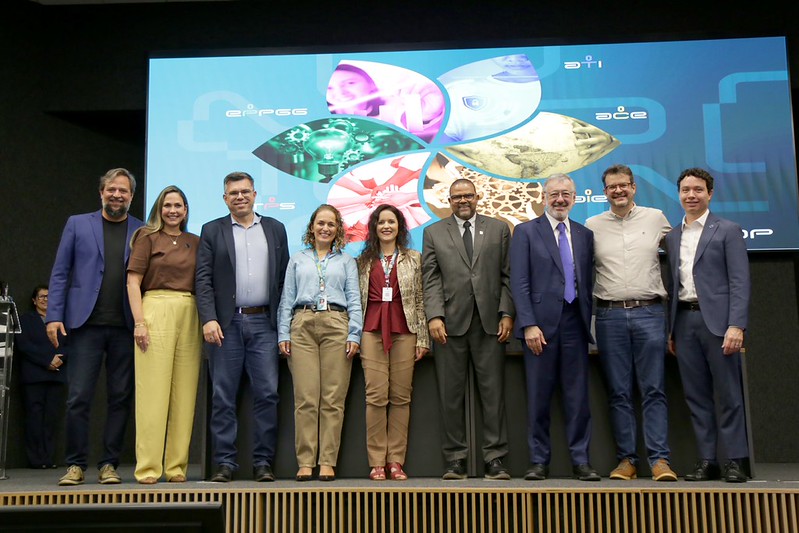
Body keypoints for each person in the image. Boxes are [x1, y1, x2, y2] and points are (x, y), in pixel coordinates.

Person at [46, 168, 143, 486]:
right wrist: (54, 315)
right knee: (78, 397)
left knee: (120, 398)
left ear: (131, 196)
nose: (117, 195)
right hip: (84, 325)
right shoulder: (77, 224)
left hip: (125, 327)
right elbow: (61, 272)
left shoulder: (141, 230)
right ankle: (75, 464)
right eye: (111, 189)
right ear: (101, 192)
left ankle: (109, 464)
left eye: (123, 191)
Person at [195, 171, 289, 483]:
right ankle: (224, 463)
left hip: (264, 323)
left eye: (245, 191)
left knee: (267, 394)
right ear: (225, 198)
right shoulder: (212, 230)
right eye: (233, 193)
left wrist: (282, 325)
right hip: (225, 324)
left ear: (254, 194)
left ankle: (263, 463)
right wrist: (208, 318)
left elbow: (282, 281)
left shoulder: (275, 229)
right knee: (223, 396)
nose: (240, 197)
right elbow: (203, 279)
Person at [585, 164, 676, 482]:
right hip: (609, 316)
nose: (618, 190)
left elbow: (682, 257)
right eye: (612, 187)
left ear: (633, 187)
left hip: (650, 313)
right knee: (619, 392)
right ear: (605, 192)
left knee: (654, 390)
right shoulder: (592, 225)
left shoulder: (656, 218)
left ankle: (660, 460)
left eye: (623, 185)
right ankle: (627, 460)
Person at [422, 178, 514, 481]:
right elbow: (431, 279)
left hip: (490, 324)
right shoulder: (433, 232)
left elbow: (507, 276)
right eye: (457, 197)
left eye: (468, 196)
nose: (463, 201)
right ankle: (455, 460)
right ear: (449, 201)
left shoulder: (499, 229)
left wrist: (507, 313)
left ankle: (495, 458)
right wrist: (434, 316)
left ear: (478, 197)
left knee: (493, 395)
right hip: (448, 325)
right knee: (450, 396)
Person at [509, 173, 600, 481]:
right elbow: (519, 282)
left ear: (574, 198)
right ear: (544, 197)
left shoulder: (584, 234)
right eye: (554, 194)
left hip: (575, 323)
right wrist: (528, 324)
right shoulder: (525, 232)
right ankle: (538, 461)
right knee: (538, 396)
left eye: (566, 194)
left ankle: (581, 460)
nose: (560, 199)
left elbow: (587, 281)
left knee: (578, 398)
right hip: (539, 328)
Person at [665, 167, 751, 483]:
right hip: (684, 322)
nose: (691, 195)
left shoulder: (728, 230)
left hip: (718, 324)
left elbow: (740, 281)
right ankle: (707, 460)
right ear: (679, 194)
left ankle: (735, 461)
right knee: (696, 396)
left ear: (710, 194)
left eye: (698, 190)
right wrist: (671, 330)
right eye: (686, 190)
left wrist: (736, 325)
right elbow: (672, 285)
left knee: (729, 395)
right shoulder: (672, 236)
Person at [278, 204, 362, 482]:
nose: (325, 228)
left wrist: (354, 334)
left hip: (337, 324)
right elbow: (286, 299)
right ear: (312, 227)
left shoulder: (347, 261)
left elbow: (355, 300)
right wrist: (283, 333)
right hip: (302, 324)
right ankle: (305, 461)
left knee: (333, 399)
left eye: (331, 224)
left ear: (338, 229)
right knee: (306, 398)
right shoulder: (298, 259)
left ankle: (327, 461)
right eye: (321, 223)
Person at [126, 185, 201, 484]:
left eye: (178, 205)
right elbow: (133, 282)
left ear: (186, 210)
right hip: (155, 309)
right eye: (167, 205)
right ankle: (148, 468)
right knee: (152, 393)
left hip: (190, 310)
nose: (172, 210)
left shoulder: (196, 242)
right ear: (159, 208)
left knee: (185, 394)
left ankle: (176, 467)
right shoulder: (146, 237)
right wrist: (139, 322)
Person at [356, 204, 429, 481]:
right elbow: (355, 301)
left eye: (392, 221)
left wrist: (423, 337)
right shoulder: (362, 261)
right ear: (374, 227)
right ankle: (377, 462)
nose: (386, 226)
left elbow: (420, 300)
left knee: (401, 397)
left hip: (405, 330)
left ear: (400, 227)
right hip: (370, 330)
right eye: (381, 222)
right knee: (375, 396)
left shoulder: (414, 259)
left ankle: (395, 461)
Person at [327, 63, 445, 142]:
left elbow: (417, 132)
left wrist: (427, 115)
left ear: (371, 84)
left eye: (350, 83)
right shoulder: (326, 122)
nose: (341, 92)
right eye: (329, 88)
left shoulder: (394, 105)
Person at [15, 285, 66, 469]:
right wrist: (46, 360)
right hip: (34, 377)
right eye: (42, 296)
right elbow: (23, 345)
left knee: (51, 419)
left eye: (49, 296)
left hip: (56, 377)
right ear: (34, 300)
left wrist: (60, 359)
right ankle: (35, 460)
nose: (46, 299)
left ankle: (48, 458)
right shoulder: (25, 320)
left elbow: (70, 343)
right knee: (34, 419)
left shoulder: (60, 320)